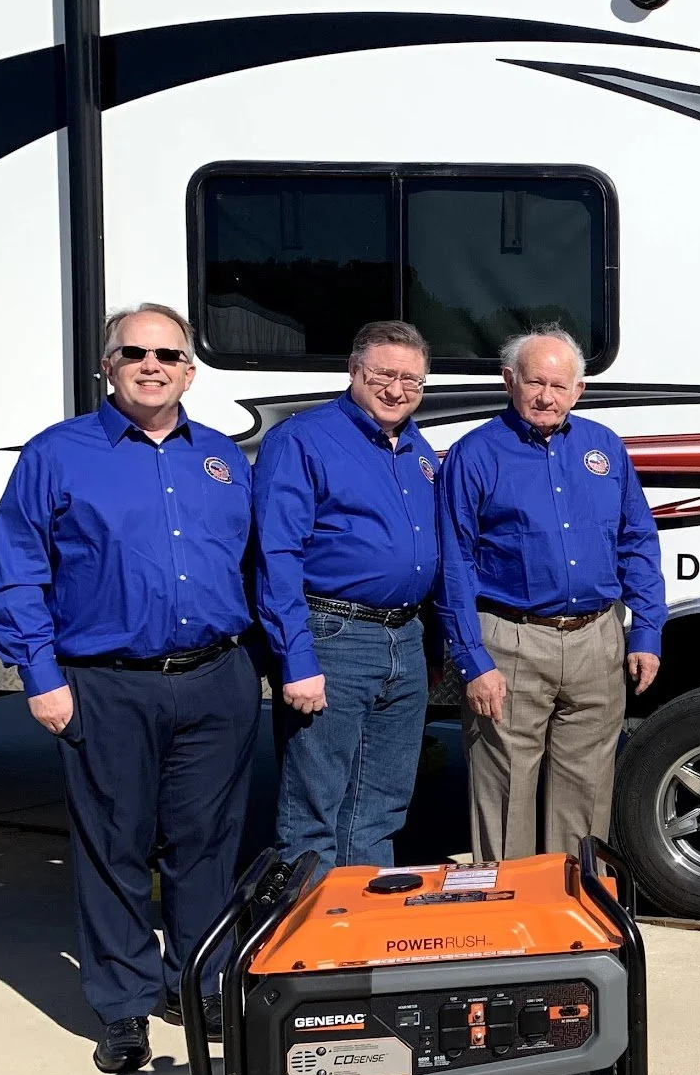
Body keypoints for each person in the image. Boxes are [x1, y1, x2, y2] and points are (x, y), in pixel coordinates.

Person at [0, 305, 261, 1073]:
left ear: (189, 371)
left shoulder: (223, 460)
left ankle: (199, 983)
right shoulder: (58, 455)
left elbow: (255, 565)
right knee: (114, 846)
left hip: (215, 680)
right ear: (107, 365)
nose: (151, 364)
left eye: (167, 354)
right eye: (133, 351)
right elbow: (14, 574)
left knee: (206, 847)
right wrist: (40, 678)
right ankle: (125, 1005)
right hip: (105, 685)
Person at [440, 327, 666, 863]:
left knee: (587, 791)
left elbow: (636, 537)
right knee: (504, 791)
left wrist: (648, 630)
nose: (547, 396)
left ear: (579, 390)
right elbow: (454, 564)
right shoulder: (474, 455)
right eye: (535, 382)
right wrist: (473, 662)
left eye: (560, 386)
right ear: (509, 381)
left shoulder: (604, 447)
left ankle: (574, 914)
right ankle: (510, 921)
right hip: (511, 642)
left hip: (597, 639)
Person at [256, 320, 442, 870]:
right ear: (354, 371)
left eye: (412, 379)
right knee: (315, 805)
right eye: (384, 374)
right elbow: (276, 556)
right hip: (333, 635)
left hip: (403, 638)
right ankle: (304, 939)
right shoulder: (302, 440)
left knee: (381, 806)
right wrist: (295, 658)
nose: (397, 390)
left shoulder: (417, 449)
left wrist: (428, 650)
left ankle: (356, 931)